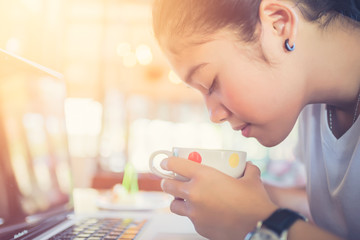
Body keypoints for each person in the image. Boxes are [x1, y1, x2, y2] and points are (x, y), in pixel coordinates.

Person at [151, 0, 360, 239]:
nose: (214, 116)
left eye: (210, 83)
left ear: (278, 24)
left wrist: (258, 220)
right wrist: (238, 198)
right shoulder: (314, 108)